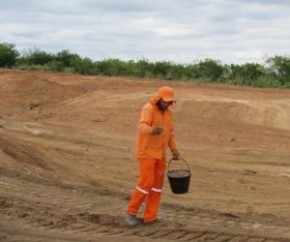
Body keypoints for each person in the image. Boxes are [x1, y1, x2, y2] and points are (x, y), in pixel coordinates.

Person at [124, 86, 181, 226]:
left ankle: (150, 217)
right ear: (159, 98)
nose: (167, 104)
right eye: (165, 101)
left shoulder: (169, 114)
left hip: (160, 154)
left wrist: (174, 149)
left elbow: (170, 133)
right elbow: (141, 127)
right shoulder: (148, 109)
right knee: (146, 183)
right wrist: (152, 130)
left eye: (170, 102)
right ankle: (130, 212)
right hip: (146, 152)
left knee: (156, 186)